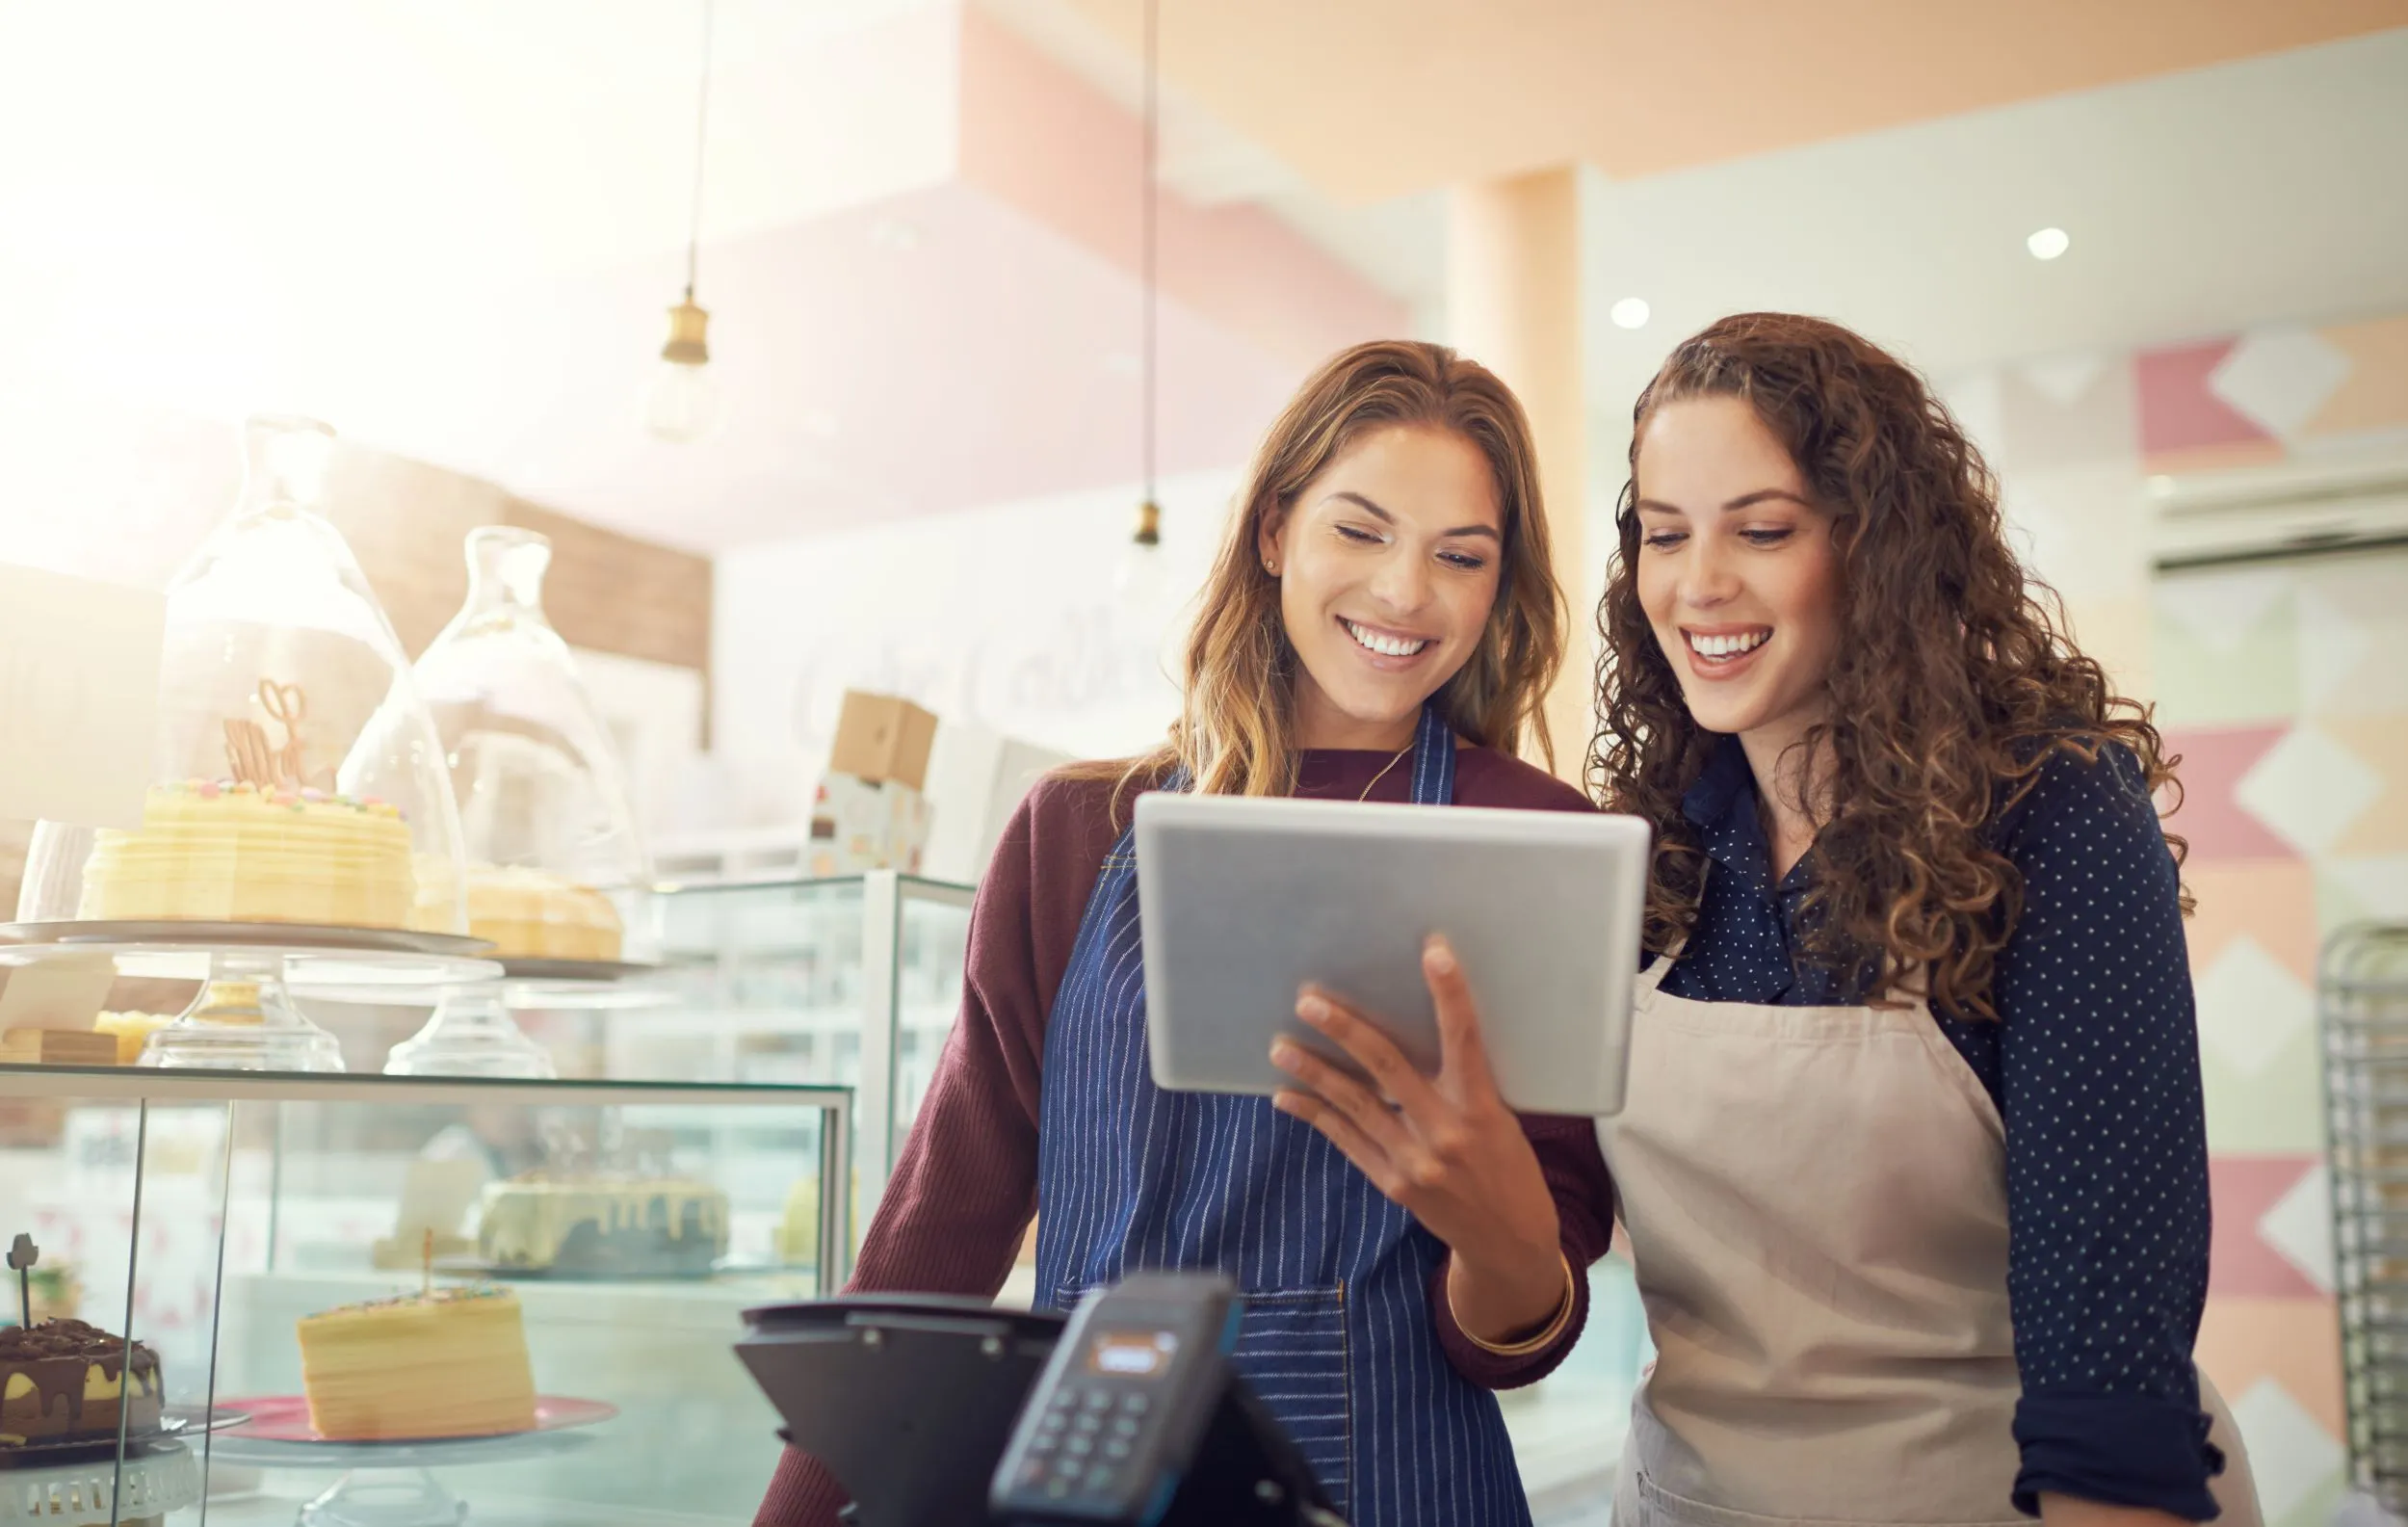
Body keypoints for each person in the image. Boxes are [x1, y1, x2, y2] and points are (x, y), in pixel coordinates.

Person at [1274, 313, 2264, 1525]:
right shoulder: (1646, 857)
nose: (1699, 584)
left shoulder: (2048, 815)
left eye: (1763, 529)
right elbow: (1546, 1256)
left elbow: (2112, 1363)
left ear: (1876, 546)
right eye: (1663, 533)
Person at [752, 339, 1611, 1527]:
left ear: (1494, 584)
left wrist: (1494, 1228)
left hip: (1403, 1489)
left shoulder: (1537, 838)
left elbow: (1526, 1326)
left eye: (1457, 555)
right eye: (1358, 531)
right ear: (1274, 533)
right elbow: (935, 1231)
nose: (1405, 592)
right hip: (1085, 1483)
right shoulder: (1072, 831)